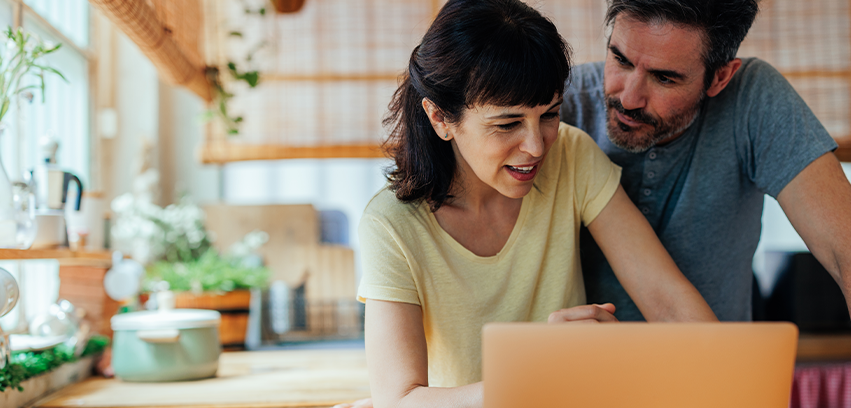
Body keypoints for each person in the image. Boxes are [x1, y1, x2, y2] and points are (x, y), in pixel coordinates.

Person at [347, 1, 717, 407]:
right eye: (507, 124)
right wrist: (534, 372)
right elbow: (397, 400)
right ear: (439, 118)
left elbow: (669, 303)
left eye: (549, 114)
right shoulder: (392, 224)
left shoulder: (572, 157)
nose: (536, 146)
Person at [561, 0, 851, 322]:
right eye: (620, 59)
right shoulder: (558, 106)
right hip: (583, 365)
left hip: (712, 363)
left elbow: (846, 252)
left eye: (664, 79)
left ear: (720, 78)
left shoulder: (753, 101)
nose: (628, 98)